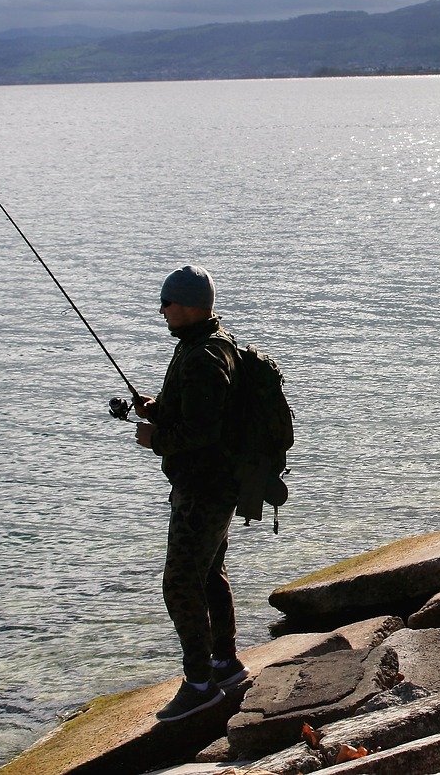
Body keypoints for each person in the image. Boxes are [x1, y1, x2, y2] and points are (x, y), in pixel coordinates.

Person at [133, 264, 249, 722]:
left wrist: (155, 438)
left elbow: (202, 430)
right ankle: (226, 662)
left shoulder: (202, 356)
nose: (162, 309)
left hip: (203, 489)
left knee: (180, 582)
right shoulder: (209, 346)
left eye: (168, 302)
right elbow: (199, 413)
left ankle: (200, 684)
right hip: (216, 485)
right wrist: (158, 411)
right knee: (208, 575)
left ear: (190, 305)